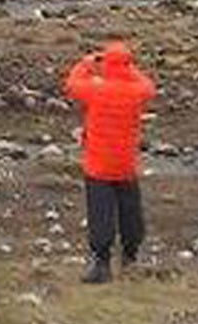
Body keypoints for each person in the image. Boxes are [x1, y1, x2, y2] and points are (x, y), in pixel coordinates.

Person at [64, 40, 158, 284]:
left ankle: (101, 263)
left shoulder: (96, 90)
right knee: (130, 212)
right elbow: (148, 85)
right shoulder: (137, 91)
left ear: (106, 64)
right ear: (127, 65)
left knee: (101, 214)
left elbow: (72, 84)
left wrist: (87, 63)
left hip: (98, 165)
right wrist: (128, 69)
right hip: (126, 164)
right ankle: (130, 257)